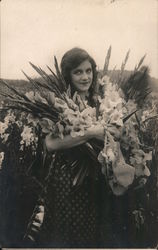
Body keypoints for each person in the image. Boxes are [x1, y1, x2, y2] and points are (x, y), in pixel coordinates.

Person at [25, 47, 116, 248]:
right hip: (67, 179)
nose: (85, 77)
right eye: (78, 72)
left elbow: (113, 133)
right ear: (68, 75)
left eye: (88, 70)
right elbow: (50, 143)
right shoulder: (59, 103)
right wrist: (91, 133)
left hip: (95, 177)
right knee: (67, 231)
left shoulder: (99, 101)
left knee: (92, 231)